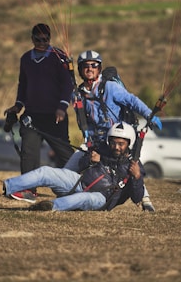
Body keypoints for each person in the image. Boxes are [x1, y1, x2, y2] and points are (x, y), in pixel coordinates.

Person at [64, 50, 162, 211]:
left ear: (99, 68)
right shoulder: (78, 93)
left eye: (93, 66)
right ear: (80, 70)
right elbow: (83, 119)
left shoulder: (110, 87)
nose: (90, 69)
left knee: (130, 166)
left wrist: (149, 115)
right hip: (94, 141)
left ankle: (145, 200)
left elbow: (132, 101)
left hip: (115, 140)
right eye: (85, 66)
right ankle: (68, 194)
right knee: (68, 170)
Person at [0, 122, 145, 212]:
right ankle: (3, 187)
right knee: (46, 171)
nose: (116, 147)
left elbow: (137, 198)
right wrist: (90, 160)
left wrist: (137, 177)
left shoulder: (134, 166)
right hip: (78, 183)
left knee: (83, 198)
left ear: (129, 144)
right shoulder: (102, 149)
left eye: (121, 144)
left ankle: (50, 207)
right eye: (113, 143)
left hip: (100, 199)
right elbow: (80, 165)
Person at [4, 23, 74, 203]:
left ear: (50, 38)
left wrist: (62, 106)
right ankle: (28, 190)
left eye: (46, 39)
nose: (42, 42)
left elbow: (67, 84)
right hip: (33, 116)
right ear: (32, 39)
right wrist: (18, 106)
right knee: (29, 152)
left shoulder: (59, 57)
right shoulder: (26, 59)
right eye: (38, 39)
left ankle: (75, 186)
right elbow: (23, 85)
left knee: (64, 153)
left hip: (55, 116)